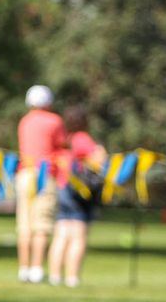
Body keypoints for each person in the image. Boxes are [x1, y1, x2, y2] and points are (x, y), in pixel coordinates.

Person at [47, 106, 106, 288]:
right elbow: (98, 159)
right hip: (78, 191)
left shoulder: (66, 140)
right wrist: (101, 151)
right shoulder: (82, 138)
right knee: (78, 236)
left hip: (62, 187)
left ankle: (55, 276)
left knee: (61, 234)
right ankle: (72, 278)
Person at [15, 84, 66, 284]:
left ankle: (23, 269)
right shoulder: (55, 121)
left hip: (24, 174)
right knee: (41, 224)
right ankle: (37, 269)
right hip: (44, 175)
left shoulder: (24, 122)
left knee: (24, 225)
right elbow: (61, 146)